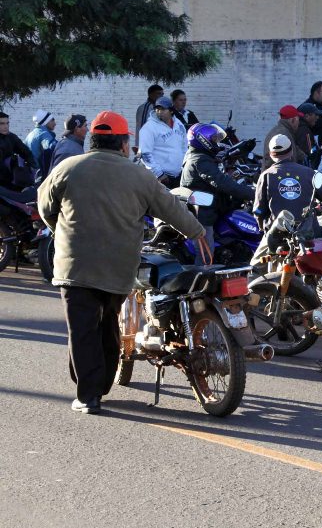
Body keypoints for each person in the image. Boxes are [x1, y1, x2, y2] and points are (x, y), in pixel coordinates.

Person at [38, 111, 204, 414]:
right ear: (123, 144)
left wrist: (60, 230)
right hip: (119, 267)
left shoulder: (69, 167)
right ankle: (100, 386)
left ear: (93, 140)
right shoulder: (139, 175)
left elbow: (45, 205)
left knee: (82, 330)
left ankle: (89, 396)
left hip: (75, 266)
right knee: (108, 323)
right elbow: (170, 207)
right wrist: (197, 232)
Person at [180, 122, 255, 262]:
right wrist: (253, 194)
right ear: (203, 141)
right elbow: (223, 183)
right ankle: (201, 275)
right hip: (202, 214)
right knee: (206, 254)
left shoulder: (200, 155)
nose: (216, 142)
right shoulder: (200, 160)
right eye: (213, 139)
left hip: (210, 207)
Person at [138, 96, 187, 187]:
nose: (159, 112)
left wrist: (184, 167)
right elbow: (144, 153)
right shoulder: (148, 128)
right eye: (157, 109)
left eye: (163, 109)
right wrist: (159, 174)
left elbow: (184, 146)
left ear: (171, 111)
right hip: (161, 178)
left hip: (179, 176)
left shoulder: (179, 124)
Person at [262, 105, 307, 170]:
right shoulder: (283, 135)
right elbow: (285, 160)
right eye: (298, 119)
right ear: (293, 120)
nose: (299, 123)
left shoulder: (281, 131)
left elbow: (295, 149)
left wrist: (303, 156)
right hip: (278, 174)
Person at [0, 111, 35, 191]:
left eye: (7, 123)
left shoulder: (11, 137)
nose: (6, 126)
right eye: (2, 124)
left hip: (11, 181)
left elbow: (26, 152)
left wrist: (30, 168)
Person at [24, 109, 57, 179]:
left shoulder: (31, 134)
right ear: (45, 122)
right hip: (39, 175)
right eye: (52, 120)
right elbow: (52, 148)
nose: (55, 123)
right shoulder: (44, 134)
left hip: (29, 173)